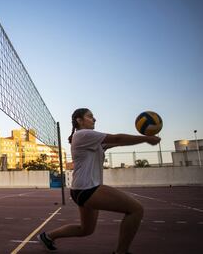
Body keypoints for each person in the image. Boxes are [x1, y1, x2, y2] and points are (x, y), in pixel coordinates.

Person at [38, 108, 160, 254]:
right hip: (88, 188)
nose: (94, 119)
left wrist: (140, 139)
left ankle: (48, 236)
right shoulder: (83, 134)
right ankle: (121, 252)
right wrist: (146, 138)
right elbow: (117, 138)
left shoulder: (90, 139)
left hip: (81, 190)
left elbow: (117, 142)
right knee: (136, 209)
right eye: (90, 116)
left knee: (86, 230)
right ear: (79, 120)